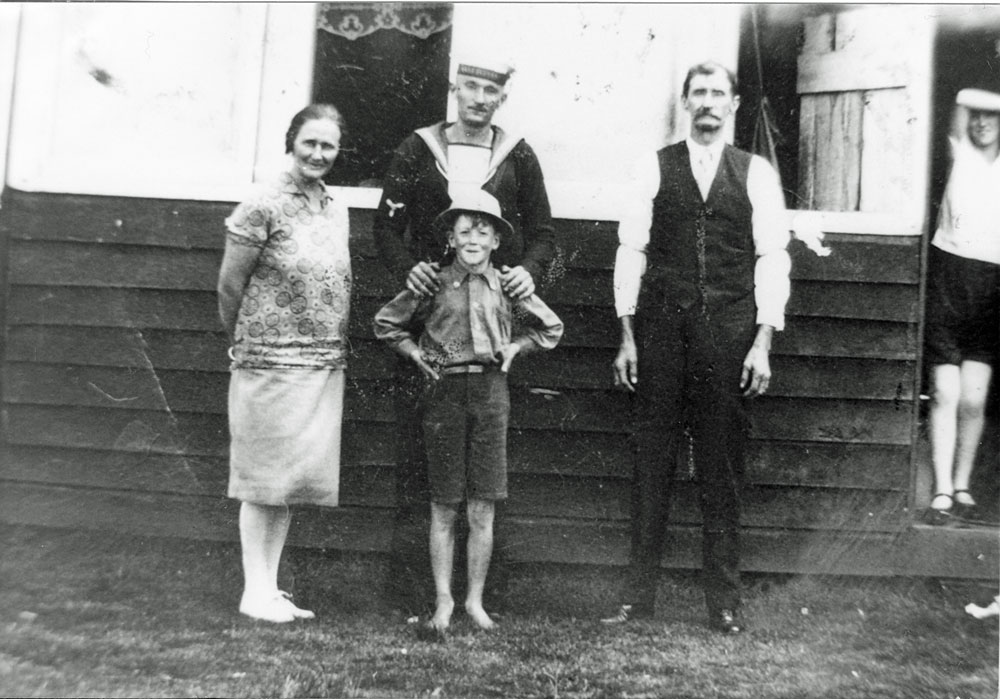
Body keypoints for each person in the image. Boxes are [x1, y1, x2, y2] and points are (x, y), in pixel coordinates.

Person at [606, 62, 791, 633]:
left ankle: (724, 603)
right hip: (661, 332)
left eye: (718, 93)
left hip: (729, 336)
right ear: (685, 102)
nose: (708, 102)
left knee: (722, 467)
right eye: (699, 93)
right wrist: (628, 336)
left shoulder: (755, 172)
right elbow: (631, 250)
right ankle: (638, 599)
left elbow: (772, 256)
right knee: (651, 462)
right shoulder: (654, 166)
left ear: (734, 104)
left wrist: (762, 342)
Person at [373, 53, 556, 615]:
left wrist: (530, 271)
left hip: (491, 326)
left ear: (501, 98)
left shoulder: (517, 154)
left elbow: (544, 231)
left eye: (489, 91)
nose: (478, 98)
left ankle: (482, 595)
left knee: (485, 484)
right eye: (470, 87)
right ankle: (420, 595)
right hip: (431, 325)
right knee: (426, 471)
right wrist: (408, 268)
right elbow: (386, 226)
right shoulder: (418, 148)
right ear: (455, 89)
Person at [217, 104, 351, 623]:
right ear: (291, 142)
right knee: (263, 481)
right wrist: (245, 343)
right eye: (309, 142)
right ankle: (253, 591)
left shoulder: (334, 207)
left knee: (287, 483)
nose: (318, 153)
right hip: (269, 361)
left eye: (328, 145)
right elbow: (230, 285)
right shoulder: (262, 203)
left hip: (319, 362)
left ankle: (270, 589)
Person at [921, 86, 1000, 526]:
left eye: (993, 115)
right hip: (949, 280)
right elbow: (960, 100)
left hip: (992, 290)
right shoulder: (960, 153)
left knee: (973, 399)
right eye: (977, 115)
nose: (982, 123)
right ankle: (942, 490)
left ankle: (963, 485)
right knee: (945, 393)